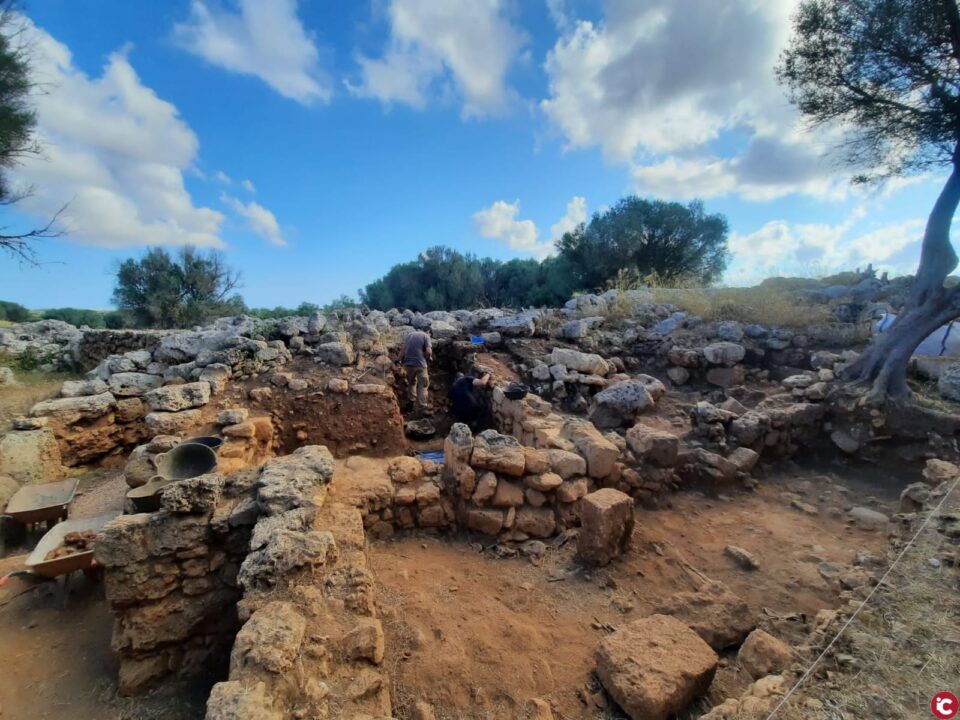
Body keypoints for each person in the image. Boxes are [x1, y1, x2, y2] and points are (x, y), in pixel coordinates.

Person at [401, 327, 433, 410]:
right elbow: (429, 351)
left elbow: (403, 350)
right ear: (429, 332)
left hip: (409, 365)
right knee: (423, 385)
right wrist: (428, 358)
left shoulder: (409, 335)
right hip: (420, 364)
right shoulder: (426, 336)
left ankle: (411, 402)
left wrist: (399, 360)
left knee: (412, 383)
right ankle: (423, 406)